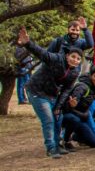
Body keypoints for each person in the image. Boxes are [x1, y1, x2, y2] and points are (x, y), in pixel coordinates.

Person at [17, 26, 80, 158]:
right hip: (36, 90)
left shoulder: (74, 72)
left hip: (52, 94)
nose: (75, 60)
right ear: (67, 55)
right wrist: (28, 43)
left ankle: (58, 144)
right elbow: (42, 53)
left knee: (58, 117)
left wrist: (58, 106)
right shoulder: (57, 59)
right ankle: (51, 148)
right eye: (73, 57)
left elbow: (66, 90)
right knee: (48, 119)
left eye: (78, 59)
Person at [60, 67, 95, 149]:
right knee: (74, 119)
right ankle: (65, 140)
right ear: (90, 76)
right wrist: (72, 105)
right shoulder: (82, 87)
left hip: (80, 117)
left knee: (94, 143)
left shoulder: (94, 89)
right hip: (69, 117)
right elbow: (68, 106)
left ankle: (74, 136)